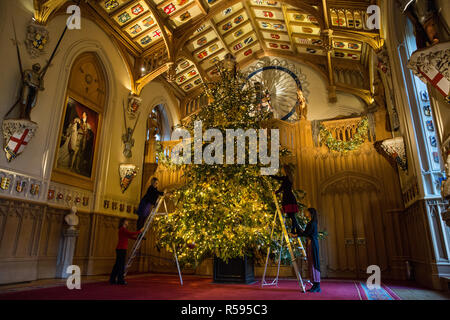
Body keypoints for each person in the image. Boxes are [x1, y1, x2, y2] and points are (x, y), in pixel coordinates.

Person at [271, 166, 302, 237]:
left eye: (282, 170)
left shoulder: (286, 178)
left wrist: (276, 192)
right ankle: (294, 231)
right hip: (290, 198)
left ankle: (295, 231)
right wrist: (270, 175)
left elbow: (282, 187)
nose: (281, 171)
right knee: (292, 216)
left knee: (292, 216)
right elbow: (278, 178)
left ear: (285, 170)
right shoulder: (288, 177)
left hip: (288, 198)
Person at [296, 208, 321, 293]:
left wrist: (296, 235)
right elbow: (306, 232)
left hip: (312, 245)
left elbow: (306, 233)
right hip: (311, 244)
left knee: (314, 263)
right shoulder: (311, 223)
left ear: (310, 213)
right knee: (311, 263)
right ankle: (315, 285)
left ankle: (317, 286)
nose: (305, 213)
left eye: (306, 212)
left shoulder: (312, 223)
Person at [110, 218, 142, 285]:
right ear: (123, 222)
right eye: (127, 221)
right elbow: (130, 234)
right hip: (121, 249)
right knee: (121, 265)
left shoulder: (123, 229)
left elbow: (128, 236)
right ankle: (120, 280)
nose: (128, 222)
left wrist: (137, 238)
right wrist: (140, 231)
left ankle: (112, 279)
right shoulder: (123, 229)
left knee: (117, 265)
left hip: (120, 249)